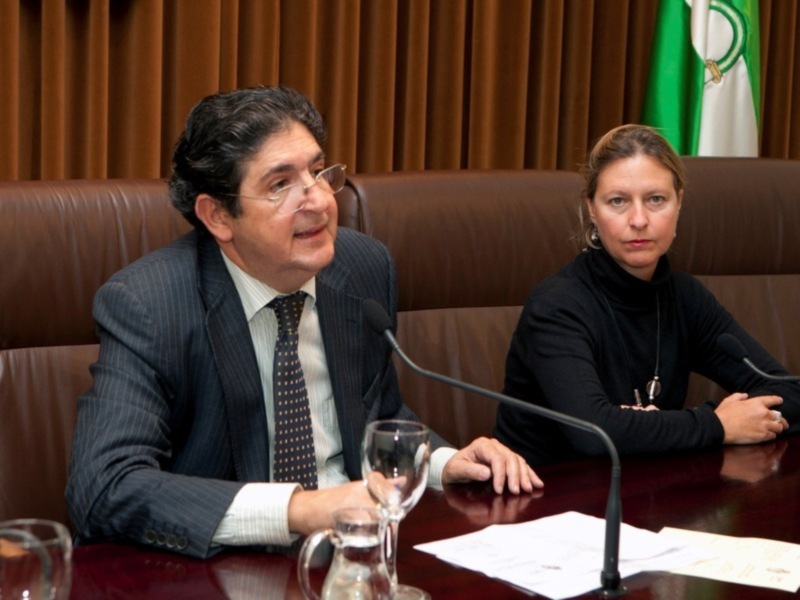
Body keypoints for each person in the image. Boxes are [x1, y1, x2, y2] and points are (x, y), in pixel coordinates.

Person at [66, 86, 541, 559]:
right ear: (217, 216)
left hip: (359, 558)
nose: (317, 201)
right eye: (280, 185)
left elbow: (378, 416)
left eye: (316, 172)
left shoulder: (362, 268)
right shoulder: (150, 304)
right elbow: (105, 486)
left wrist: (441, 463)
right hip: (229, 567)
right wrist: (301, 509)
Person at [494, 124, 798, 466]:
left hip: (647, 496)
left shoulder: (685, 298)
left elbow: (788, 392)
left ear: (679, 203)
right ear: (592, 209)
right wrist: (717, 423)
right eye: (618, 201)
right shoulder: (556, 306)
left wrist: (646, 426)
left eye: (656, 199)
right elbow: (595, 433)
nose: (638, 220)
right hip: (544, 505)